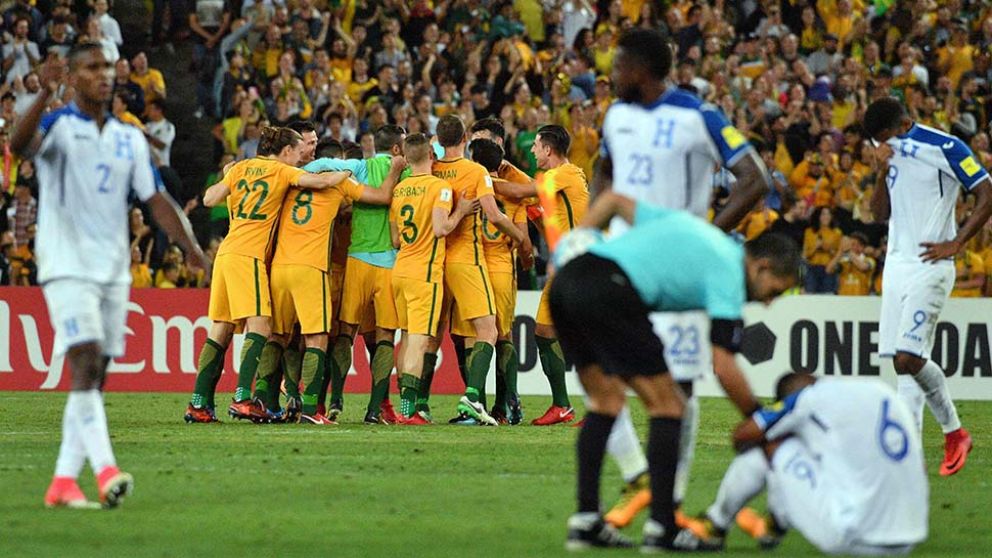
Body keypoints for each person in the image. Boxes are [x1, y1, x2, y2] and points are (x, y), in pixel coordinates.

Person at [592, 25, 774, 532]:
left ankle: (664, 510)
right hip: (626, 267)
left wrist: (706, 243)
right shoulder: (617, 115)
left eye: (619, 65)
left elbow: (755, 177)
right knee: (594, 371)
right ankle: (640, 476)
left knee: (680, 393)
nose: (612, 73)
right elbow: (605, 170)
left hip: (679, 280)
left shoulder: (699, 116)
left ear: (643, 69)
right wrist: (591, 233)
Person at [10, 45, 206, 509]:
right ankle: (106, 469)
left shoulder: (129, 139)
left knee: (95, 377)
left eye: (106, 67)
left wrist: (191, 246)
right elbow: (18, 147)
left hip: (113, 269)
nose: (103, 75)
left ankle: (62, 482)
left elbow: (154, 198)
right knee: (84, 360)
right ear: (74, 77)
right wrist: (44, 95)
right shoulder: (59, 126)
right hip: (66, 265)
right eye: (91, 67)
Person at [552, 192, 798, 551]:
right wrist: (759, 420)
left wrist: (570, 247)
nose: (768, 302)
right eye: (774, 291)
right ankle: (662, 529)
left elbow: (615, 201)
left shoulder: (698, 233)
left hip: (568, 282)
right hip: (613, 290)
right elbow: (724, 365)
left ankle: (586, 520)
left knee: (606, 402)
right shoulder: (730, 268)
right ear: (760, 266)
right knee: (671, 407)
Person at [183, 127, 352, 423]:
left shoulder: (241, 168)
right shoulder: (281, 171)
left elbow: (209, 200)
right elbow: (322, 180)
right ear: (286, 151)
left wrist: (228, 177)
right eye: (297, 151)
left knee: (220, 330)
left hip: (225, 253)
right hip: (250, 256)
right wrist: (346, 173)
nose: (300, 156)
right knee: (261, 326)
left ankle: (198, 403)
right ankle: (242, 399)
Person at [864, 96, 991, 476]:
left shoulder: (947, 147)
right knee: (902, 365)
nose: (883, 145)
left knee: (908, 357)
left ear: (903, 124)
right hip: (896, 266)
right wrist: (880, 172)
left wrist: (957, 243)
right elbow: (878, 214)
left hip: (933, 264)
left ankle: (954, 431)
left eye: (885, 138)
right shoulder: (885, 151)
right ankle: (908, 460)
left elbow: (987, 192)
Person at [688, 373, 928, 555]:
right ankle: (772, 525)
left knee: (771, 445)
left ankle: (716, 525)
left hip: (854, 535)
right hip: (911, 535)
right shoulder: (880, 390)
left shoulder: (806, 399)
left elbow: (742, 436)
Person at [249, 144, 402, 425]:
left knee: (280, 337)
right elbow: (382, 196)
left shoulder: (289, 179)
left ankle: (261, 400)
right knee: (320, 338)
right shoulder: (341, 184)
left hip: (279, 268)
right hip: (315, 269)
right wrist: (394, 169)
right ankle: (313, 407)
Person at [301, 124, 409, 424]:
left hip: (356, 261)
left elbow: (324, 164)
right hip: (389, 263)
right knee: (386, 337)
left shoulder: (359, 167)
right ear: (399, 149)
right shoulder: (408, 172)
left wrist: (296, 169)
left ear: (377, 144)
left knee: (344, 334)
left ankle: (335, 399)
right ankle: (376, 409)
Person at [432, 114, 526, 425]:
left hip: (484, 265)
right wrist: (525, 243)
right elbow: (515, 212)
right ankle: (480, 402)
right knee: (477, 335)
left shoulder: (436, 170)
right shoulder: (489, 179)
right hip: (473, 263)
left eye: (482, 140)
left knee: (495, 334)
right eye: (473, 140)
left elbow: (528, 198)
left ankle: (505, 403)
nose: (477, 145)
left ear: (498, 143)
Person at [389, 133, 476, 423]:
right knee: (419, 342)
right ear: (431, 155)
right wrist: (461, 212)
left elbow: (396, 239)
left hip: (400, 270)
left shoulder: (400, 189)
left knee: (405, 338)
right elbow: (441, 228)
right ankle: (408, 410)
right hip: (424, 274)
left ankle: (405, 405)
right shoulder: (439, 187)